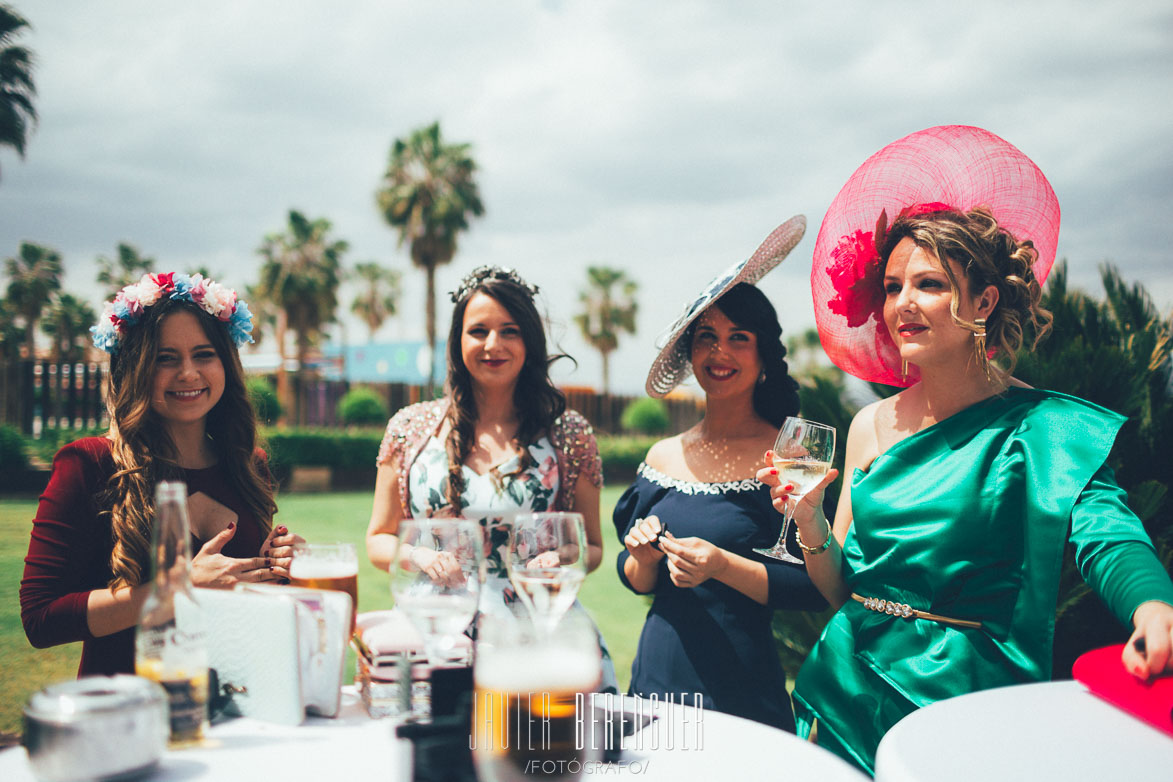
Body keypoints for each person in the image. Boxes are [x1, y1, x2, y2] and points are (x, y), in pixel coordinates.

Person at [764, 125, 1173, 773]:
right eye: (892, 287)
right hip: (838, 693)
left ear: (982, 300)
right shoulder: (868, 424)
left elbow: (1107, 534)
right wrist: (811, 518)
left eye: (927, 284)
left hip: (962, 708)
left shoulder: (1042, 427)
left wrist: (1153, 607)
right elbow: (840, 591)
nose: (902, 304)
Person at [20, 272, 302, 676]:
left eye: (204, 354)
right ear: (134, 367)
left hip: (237, 707)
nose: (188, 373)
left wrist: (283, 568)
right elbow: (40, 619)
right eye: (165, 358)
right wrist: (175, 588)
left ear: (226, 362)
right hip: (130, 713)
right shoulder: (90, 464)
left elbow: (242, 598)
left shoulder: (249, 464)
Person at [614, 217, 827, 732]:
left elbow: (814, 589)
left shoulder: (790, 455)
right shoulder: (663, 455)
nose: (720, 352)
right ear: (690, 353)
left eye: (739, 337)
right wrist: (642, 559)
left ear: (763, 354)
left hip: (740, 693)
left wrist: (721, 565)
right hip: (652, 688)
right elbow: (634, 576)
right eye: (706, 337)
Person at [366, 265, 617, 690]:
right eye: (478, 331)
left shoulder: (570, 433)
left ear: (529, 341)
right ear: (458, 340)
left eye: (510, 331)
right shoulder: (408, 428)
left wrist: (560, 559)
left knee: (540, 752)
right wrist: (421, 558)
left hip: (539, 629)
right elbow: (378, 539)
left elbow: (591, 546)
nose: (493, 345)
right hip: (435, 630)